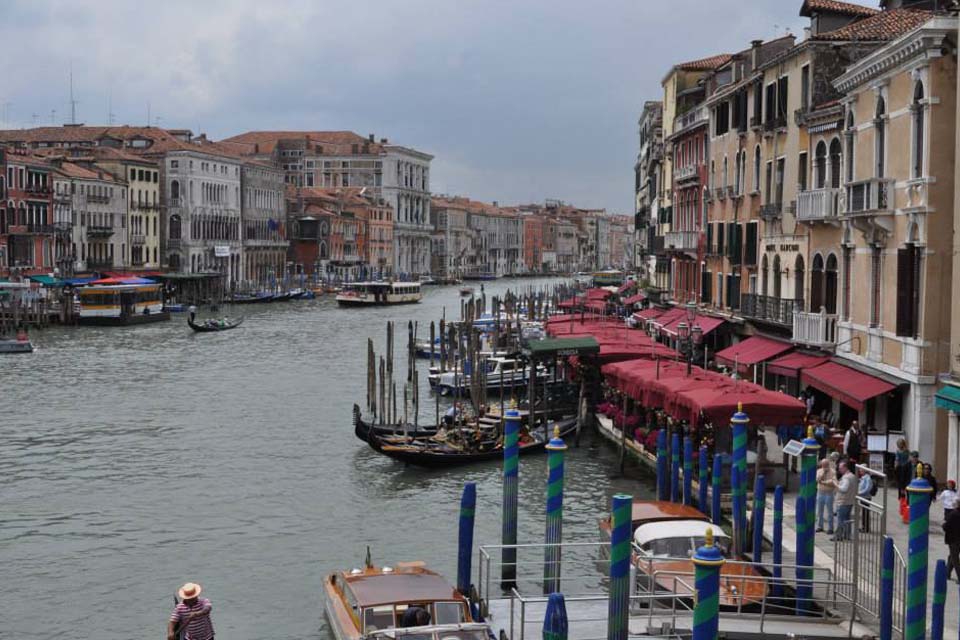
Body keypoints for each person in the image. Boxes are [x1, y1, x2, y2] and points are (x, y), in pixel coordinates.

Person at [833, 461, 856, 541]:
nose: (839, 470)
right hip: (850, 501)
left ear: (845, 468)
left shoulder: (846, 478)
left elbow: (844, 489)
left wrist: (836, 485)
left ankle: (838, 536)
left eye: (840, 468)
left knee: (840, 519)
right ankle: (847, 535)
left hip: (843, 501)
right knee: (847, 519)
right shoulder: (853, 476)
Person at [816, 458, 836, 535]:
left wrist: (823, 482)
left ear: (828, 464)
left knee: (830, 511)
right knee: (819, 511)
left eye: (826, 465)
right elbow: (818, 480)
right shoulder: (819, 471)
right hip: (820, 492)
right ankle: (820, 526)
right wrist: (823, 473)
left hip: (829, 493)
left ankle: (830, 528)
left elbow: (833, 483)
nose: (825, 466)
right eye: (823, 465)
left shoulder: (833, 472)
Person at [944, 506, 960, 584]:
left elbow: (946, 526)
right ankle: (947, 573)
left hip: (953, 539)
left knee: (955, 559)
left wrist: (943, 526)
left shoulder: (953, 514)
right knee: (952, 556)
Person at [857, 468, 874, 533]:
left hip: (866, 497)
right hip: (863, 497)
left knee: (865, 513)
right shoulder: (863, 477)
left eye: (861, 470)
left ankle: (866, 528)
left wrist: (859, 493)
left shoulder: (868, 478)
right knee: (864, 513)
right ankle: (864, 526)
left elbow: (867, 489)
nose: (860, 472)